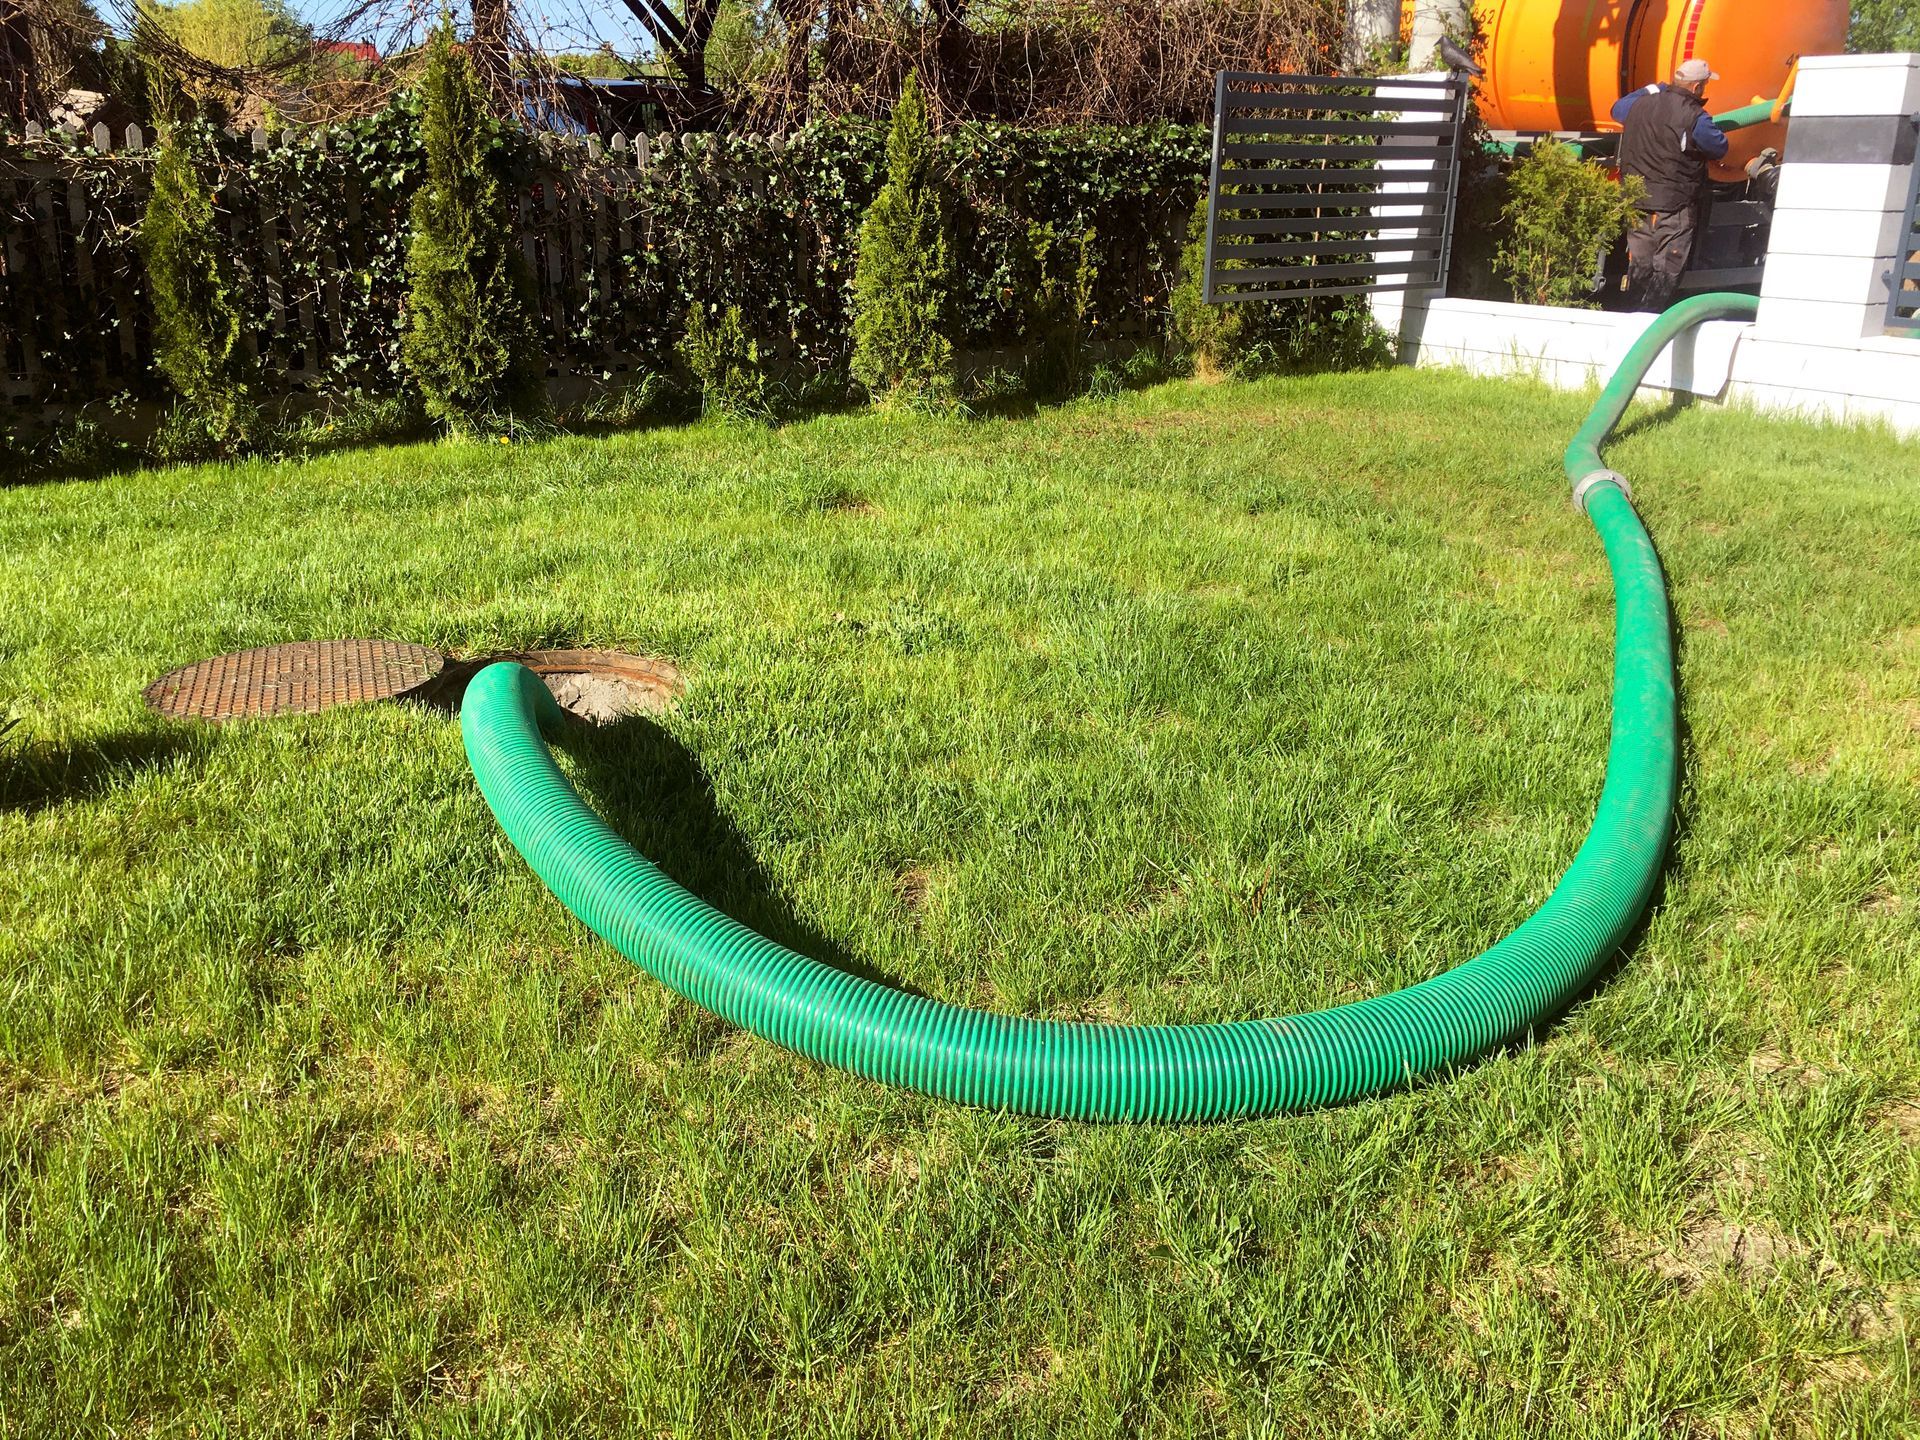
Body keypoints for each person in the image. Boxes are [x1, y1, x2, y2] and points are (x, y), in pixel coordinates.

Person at [1610, 58, 1730, 310]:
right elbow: (1719, 147)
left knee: (1640, 264)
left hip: (1637, 200)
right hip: (1673, 206)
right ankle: (1652, 318)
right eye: (1705, 85)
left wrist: (1655, 88)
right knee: (1667, 268)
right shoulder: (1696, 116)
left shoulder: (1638, 106)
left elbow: (1617, 108)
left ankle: (1631, 315)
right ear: (1697, 87)